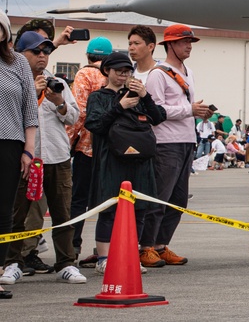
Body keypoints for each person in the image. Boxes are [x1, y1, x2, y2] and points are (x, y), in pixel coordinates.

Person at [2, 32, 82, 285]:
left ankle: (66, 264)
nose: (42, 56)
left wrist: (59, 102)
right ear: (19, 53)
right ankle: (12, 263)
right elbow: (16, 114)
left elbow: (74, 117)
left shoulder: (57, 82)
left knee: (62, 213)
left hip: (57, 156)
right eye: (36, 52)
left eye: (46, 52)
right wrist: (33, 94)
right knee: (17, 213)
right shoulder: (14, 81)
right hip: (26, 157)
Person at [84, 52, 167, 276]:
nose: (123, 75)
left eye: (127, 71)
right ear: (107, 72)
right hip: (111, 161)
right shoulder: (98, 97)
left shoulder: (137, 95)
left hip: (140, 161)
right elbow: (94, 124)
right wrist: (119, 106)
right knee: (109, 211)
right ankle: (104, 258)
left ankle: (131, 256)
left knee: (139, 210)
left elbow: (159, 117)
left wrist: (145, 96)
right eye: (119, 71)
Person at [139, 24, 214, 268]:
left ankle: (161, 245)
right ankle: (146, 246)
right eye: (184, 41)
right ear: (169, 44)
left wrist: (197, 112)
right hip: (165, 143)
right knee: (160, 197)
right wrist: (189, 110)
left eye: (190, 41)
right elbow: (155, 110)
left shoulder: (188, 71)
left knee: (179, 199)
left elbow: (182, 107)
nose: (189, 46)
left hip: (186, 141)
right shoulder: (158, 74)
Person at [0, 24, 39, 294]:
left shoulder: (18, 63)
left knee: (3, 210)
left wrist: (29, 149)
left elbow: (30, 110)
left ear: (5, 32)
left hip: (10, 143)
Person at [68, 36, 112, 267]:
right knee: (106, 201)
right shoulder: (114, 74)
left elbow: (79, 112)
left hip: (86, 147)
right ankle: (103, 249)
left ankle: (72, 246)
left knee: (79, 200)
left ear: (88, 56)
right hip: (112, 150)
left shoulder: (84, 74)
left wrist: (68, 141)